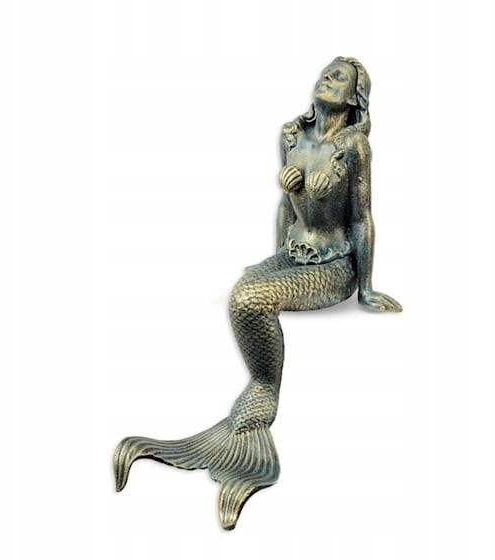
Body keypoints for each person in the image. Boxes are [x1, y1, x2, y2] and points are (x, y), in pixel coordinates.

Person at [114, 57, 402, 530]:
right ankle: (241, 426)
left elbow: (360, 217)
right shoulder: (291, 135)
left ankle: (263, 393)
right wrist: (281, 253)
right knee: (245, 289)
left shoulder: (353, 146)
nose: (328, 76)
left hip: (334, 265)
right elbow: (288, 211)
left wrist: (366, 287)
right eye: (326, 71)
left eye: (340, 76)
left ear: (354, 98)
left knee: (250, 300)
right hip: (294, 253)